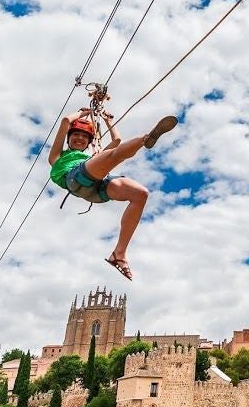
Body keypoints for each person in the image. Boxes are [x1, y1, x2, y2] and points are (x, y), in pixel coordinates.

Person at [48, 108, 179, 281]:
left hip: (96, 189)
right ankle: (145, 139)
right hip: (76, 179)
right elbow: (65, 120)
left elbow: (116, 140)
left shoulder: (91, 157)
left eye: (85, 137)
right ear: (68, 139)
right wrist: (83, 113)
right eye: (76, 135)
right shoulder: (57, 157)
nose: (80, 138)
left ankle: (119, 254)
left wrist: (108, 120)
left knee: (140, 194)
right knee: (112, 156)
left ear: (89, 141)